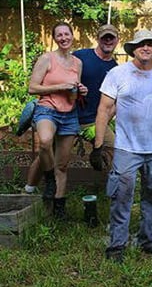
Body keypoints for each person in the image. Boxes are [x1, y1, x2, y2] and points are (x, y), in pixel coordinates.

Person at [92, 29, 152, 263]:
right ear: (133, 48)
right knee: (121, 195)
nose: (146, 48)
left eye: (150, 44)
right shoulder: (118, 74)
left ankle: (148, 240)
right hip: (126, 147)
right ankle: (117, 244)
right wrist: (98, 145)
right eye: (141, 44)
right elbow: (104, 109)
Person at [24, 24, 119, 194]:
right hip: (66, 114)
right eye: (104, 37)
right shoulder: (81, 56)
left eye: (111, 38)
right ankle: (29, 189)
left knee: (114, 148)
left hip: (91, 121)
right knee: (46, 152)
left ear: (117, 40)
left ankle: (111, 191)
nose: (108, 41)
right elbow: (62, 75)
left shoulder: (114, 67)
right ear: (98, 38)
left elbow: (114, 98)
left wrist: (106, 117)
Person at [27, 22, 89, 218]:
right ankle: (49, 179)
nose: (63, 38)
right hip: (47, 109)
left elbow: (72, 94)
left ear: (72, 36)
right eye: (59, 35)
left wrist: (80, 91)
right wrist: (60, 86)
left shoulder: (77, 63)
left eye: (66, 34)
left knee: (62, 165)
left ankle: (59, 209)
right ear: (55, 38)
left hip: (69, 114)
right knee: (45, 142)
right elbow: (33, 88)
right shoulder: (47, 59)